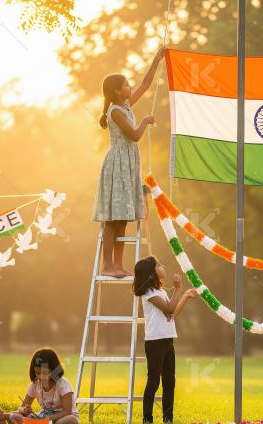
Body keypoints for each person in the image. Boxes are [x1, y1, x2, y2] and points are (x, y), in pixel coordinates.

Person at [93, 46, 165, 278]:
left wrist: (157, 58)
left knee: (123, 216)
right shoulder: (115, 111)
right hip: (117, 165)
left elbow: (145, 83)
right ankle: (107, 264)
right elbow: (134, 135)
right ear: (116, 91)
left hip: (129, 165)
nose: (130, 87)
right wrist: (144, 121)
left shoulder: (124, 105)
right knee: (112, 218)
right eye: (125, 85)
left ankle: (117, 264)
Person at [133, 255, 197, 424]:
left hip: (168, 340)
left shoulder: (161, 292)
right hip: (154, 342)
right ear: (151, 274)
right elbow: (168, 307)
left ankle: (168, 420)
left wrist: (184, 295)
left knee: (170, 381)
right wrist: (177, 289)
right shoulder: (148, 293)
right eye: (159, 265)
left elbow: (172, 314)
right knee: (154, 381)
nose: (163, 267)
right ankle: (147, 420)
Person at [13, 347, 79, 424]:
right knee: (14, 416)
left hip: (62, 418)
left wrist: (46, 420)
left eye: (45, 373)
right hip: (43, 418)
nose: (41, 377)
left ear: (55, 369)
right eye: (38, 373)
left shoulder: (63, 384)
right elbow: (21, 408)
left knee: (70, 420)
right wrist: (24, 410)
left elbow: (67, 411)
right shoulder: (34, 385)